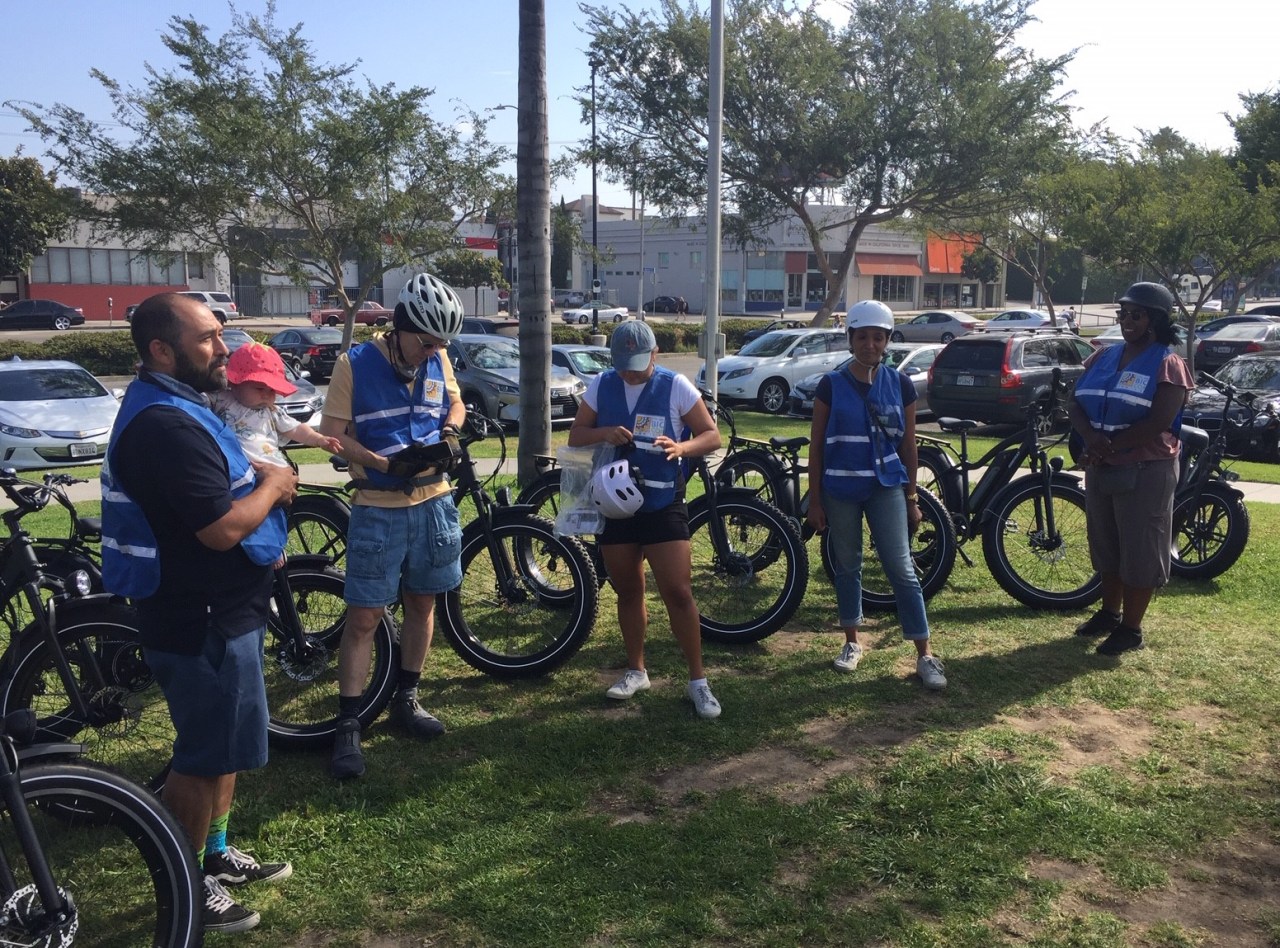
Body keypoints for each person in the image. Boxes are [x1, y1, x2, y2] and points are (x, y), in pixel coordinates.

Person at [101, 292, 299, 935]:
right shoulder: (164, 424)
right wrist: (275, 484)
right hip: (198, 616)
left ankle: (215, 854)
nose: (225, 348)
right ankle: (188, 881)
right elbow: (219, 529)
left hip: (227, 608)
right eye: (210, 338)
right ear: (162, 350)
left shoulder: (184, 403)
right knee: (202, 755)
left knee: (227, 747)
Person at [318, 273, 467, 779]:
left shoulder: (436, 356)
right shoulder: (352, 365)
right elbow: (331, 437)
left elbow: (455, 401)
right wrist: (380, 463)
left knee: (423, 602)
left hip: (434, 502)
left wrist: (450, 432)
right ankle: (348, 724)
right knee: (364, 618)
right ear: (400, 327)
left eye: (440, 345)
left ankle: (407, 697)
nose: (432, 352)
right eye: (426, 342)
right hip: (378, 507)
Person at [567, 320, 725, 717]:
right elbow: (576, 435)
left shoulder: (675, 386)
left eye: (638, 363)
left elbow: (711, 435)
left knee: (678, 591)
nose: (631, 372)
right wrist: (604, 432)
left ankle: (698, 681)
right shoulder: (602, 384)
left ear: (655, 354)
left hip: (662, 504)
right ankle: (636, 669)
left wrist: (682, 446)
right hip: (615, 504)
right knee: (627, 590)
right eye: (624, 364)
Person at [806, 300, 947, 690]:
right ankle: (852, 642)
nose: (870, 344)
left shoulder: (899, 384)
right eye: (863, 336)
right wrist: (815, 500)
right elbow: (816, 448)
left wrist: (912, 496)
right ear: (850, 339)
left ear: (887, 341)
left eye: (878, 337)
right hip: (841, 489)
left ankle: (925, 655)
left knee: (901, 569)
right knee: (847, 565)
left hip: (886, 487)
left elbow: (908, 445)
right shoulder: (830, 385)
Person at [1068, 282, 1194, 656]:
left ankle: (1131, 628)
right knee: (1106, 543)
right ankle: (1109, 613)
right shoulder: (1101, 356)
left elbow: (1159, 420)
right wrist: (1090, 437)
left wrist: (1108, 445)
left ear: (1154, 319)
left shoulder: (1168, 364)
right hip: (1101, 463)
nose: (1126, 321)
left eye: (1135, 314)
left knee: (1140, 549)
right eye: (1122, 313)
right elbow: (1074, 401)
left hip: (1146, 469)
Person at [209, 342, 343, 466]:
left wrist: (318, 439)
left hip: (272, 465)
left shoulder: (272, 411)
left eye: (272, 390)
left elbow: (296, 429)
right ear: (235, 383)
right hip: (237, 467)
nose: (266, 395)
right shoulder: (222, 399)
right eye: (259, 388)